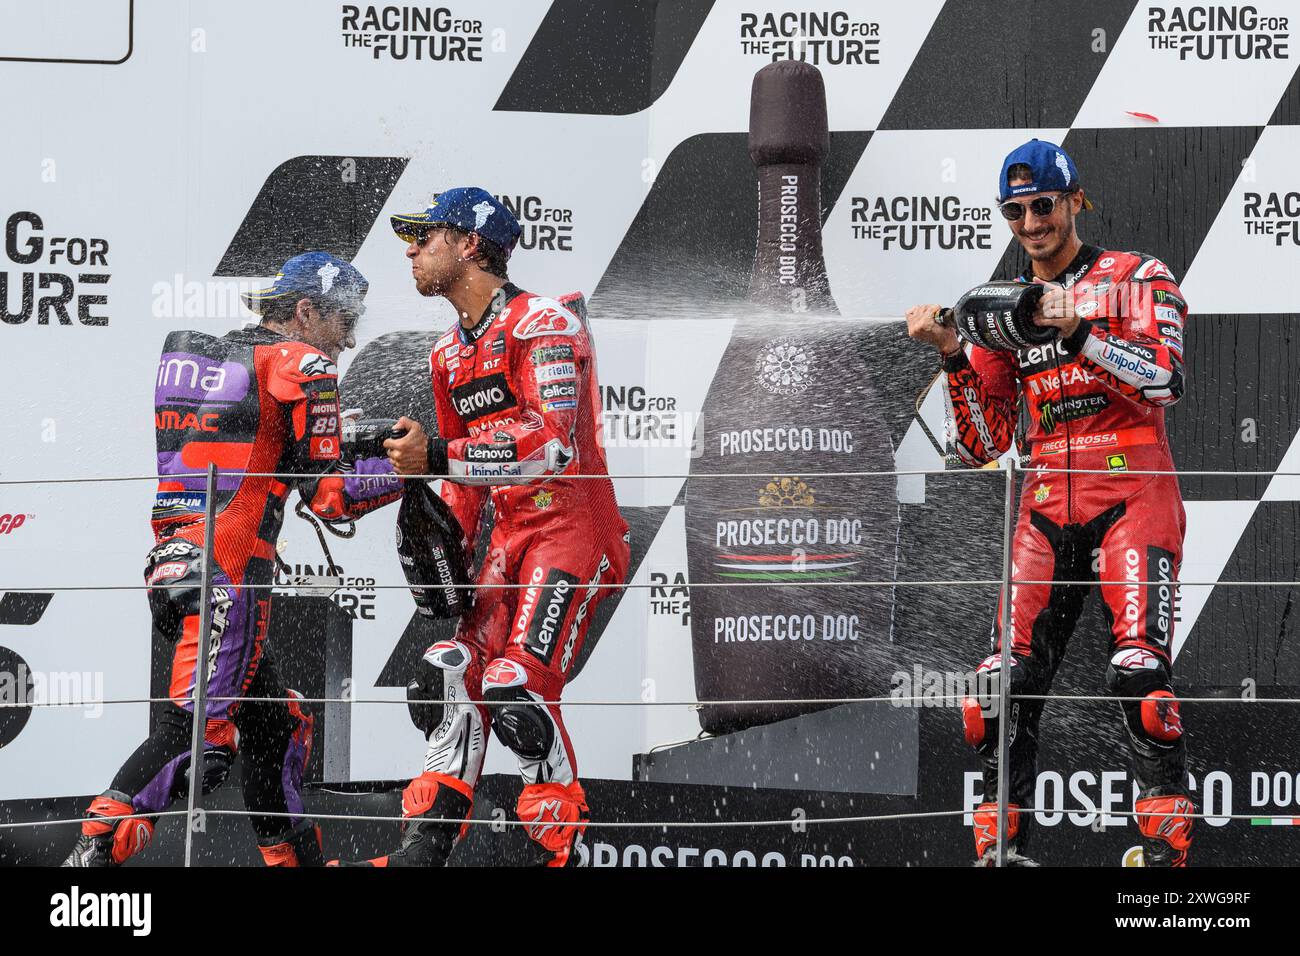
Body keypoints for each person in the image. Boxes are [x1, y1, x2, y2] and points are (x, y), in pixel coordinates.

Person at [63, 252, 402, 867]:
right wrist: (410, 470)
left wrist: (355, 435)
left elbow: (258, 441)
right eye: (343, 319)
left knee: (277, 723)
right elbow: (330, 498)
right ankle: (85, 862)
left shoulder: (198, 358)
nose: (350, 337)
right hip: (231, 573)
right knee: (199, 741)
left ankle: (288, 858)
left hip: (173, 561)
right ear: (305, 311)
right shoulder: (303, 362)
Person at [905, 140, 1192, 866]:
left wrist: (1080, 332)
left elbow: (1165, 383)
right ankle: (1001, 853)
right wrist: (950, 354)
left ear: (1074, 202)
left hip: (1133, 487)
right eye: (1017, 211)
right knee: (996, 692)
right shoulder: (1003, 309)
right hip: (1042, 501)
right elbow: (979, 445)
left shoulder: (1137, 277)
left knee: (1139, 676)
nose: (1031, 222)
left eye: (1044, 206)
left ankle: (1164, 857)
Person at [342, 187, 630, 867]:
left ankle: (558, 854)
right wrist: (440, 547)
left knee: (516, 686)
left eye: (426, 236)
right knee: (449, 675)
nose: (410, 250)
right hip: (506, 541)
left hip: (574, 530)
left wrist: (437, 455)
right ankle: (421, 855)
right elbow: (463, 489)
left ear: (471, 244)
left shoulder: (546, 324)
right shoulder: (446, 354)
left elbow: (551, 446)